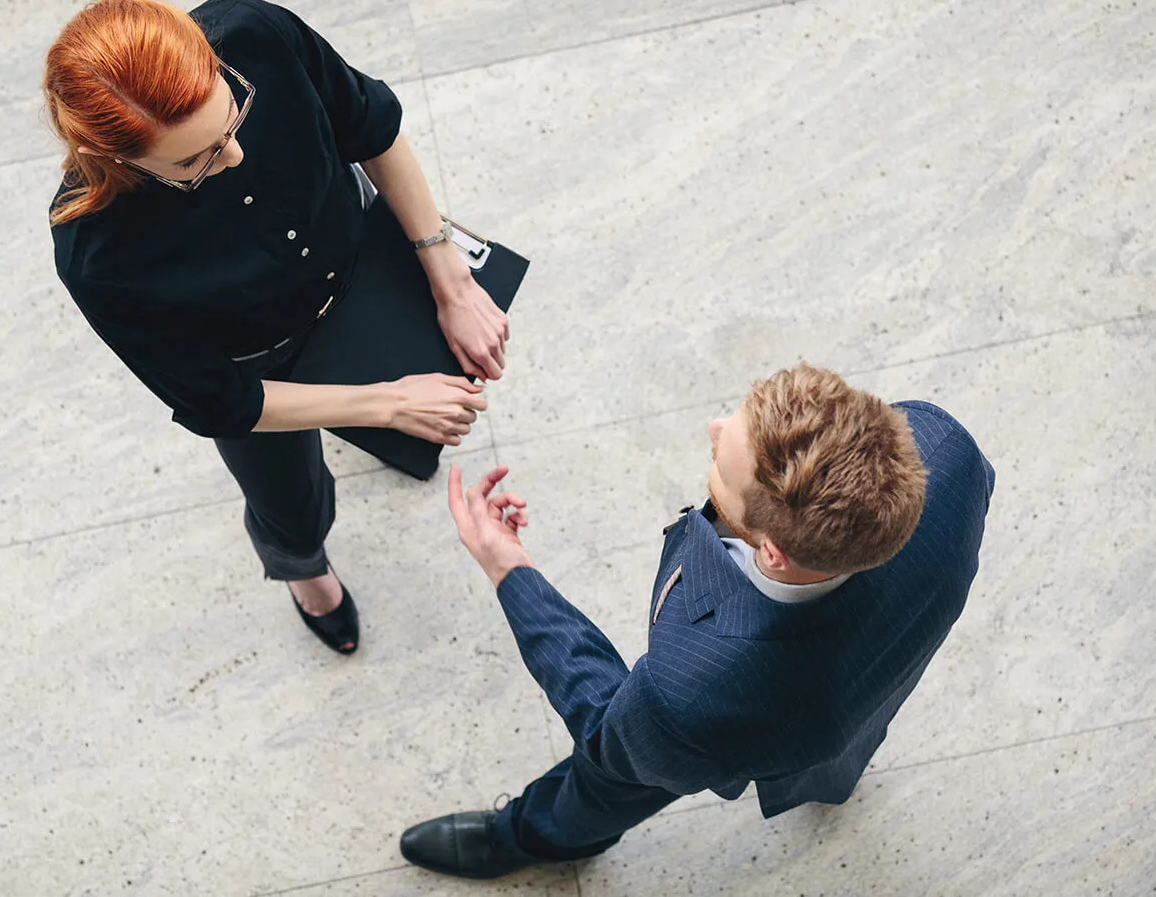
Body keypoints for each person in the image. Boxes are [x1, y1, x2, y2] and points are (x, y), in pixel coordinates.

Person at [43, 0, 510, 655]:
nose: (232, 156)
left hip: (356, 268)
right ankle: (304, 568)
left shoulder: (253, 33)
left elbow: (370, 125)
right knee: (289, 502)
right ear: (114, 157)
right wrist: (391, 401)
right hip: (258, 363)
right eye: (193, 162)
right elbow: (221, 400)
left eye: (234, 119)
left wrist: (449, 275)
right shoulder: (99, 257)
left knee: (411, 404)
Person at [401, 364, 996, 877]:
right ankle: (828, 780)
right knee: (845, 735)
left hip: (737, 719)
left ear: (771, 553)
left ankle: (535, 836)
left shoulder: (694, 692)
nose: (712, 430)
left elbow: (611, 735)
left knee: (612, 781)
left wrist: (510, 569)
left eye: (721, 462)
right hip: (865, 683)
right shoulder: (943, 447)